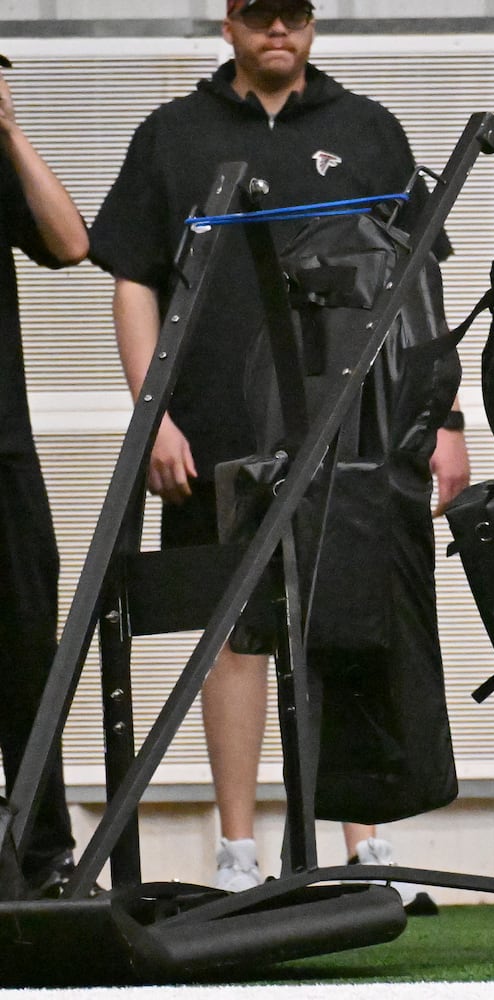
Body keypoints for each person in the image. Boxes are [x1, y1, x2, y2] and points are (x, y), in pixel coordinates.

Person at [88, 0, 467, 892]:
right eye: (259, 15)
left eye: (292, 14)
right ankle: (238, 854)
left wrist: (446, 421)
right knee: (234, 631)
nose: (277, 31)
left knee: (343, 623)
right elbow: (134, 285)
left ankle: (364, 848)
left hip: (354, 428)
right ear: (227, 24)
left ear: (310, 23)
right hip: (214, 428)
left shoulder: (369, 130)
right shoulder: (169, 135)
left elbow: (420, 286)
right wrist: (154, 417)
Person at [0, 52, 87, 899]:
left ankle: (43, 851)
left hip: (3, 450)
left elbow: (72, 242)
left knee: (28, 647)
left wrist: (12, 129)